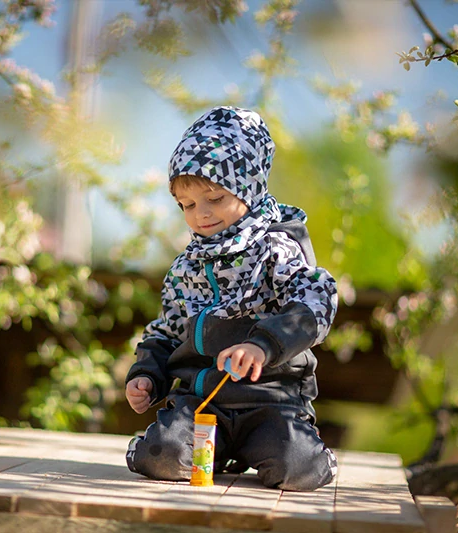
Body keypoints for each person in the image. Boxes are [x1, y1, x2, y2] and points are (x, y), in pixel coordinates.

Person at [124, 106, 339, 491]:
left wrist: (263, 345)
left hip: (271, 402)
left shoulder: (276, 248)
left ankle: (316, 455)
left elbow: (315, 299)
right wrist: (146, 375)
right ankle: (208, 451)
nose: (201, 215)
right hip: (203, 407)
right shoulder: (186, 268)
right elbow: (167, 329)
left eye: (215, 198)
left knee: (296, 469)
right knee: (160, 456)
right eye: (187, 205)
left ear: (247, 187)